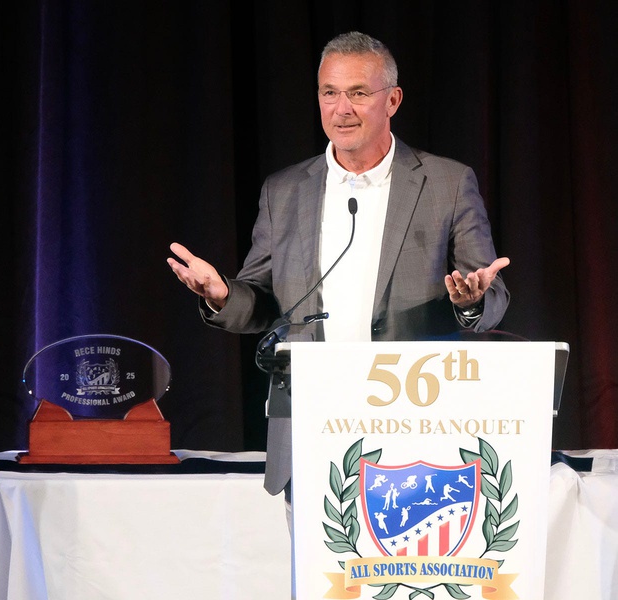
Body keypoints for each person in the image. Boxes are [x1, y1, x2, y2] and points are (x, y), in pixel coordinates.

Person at [167, 32, 510, 506]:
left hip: (417, 423)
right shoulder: (284, 191)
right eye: (330, 92)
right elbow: (263, 303)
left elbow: (492, 294)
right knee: (318, 580)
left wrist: (471, 301)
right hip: (313, 421)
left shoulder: (447, 183)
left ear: (393, 100)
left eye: (358, 93)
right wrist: (222, 294)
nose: (341, 108)